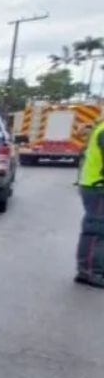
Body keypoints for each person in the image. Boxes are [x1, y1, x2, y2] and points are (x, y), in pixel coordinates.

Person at [75, 116, 104, 288]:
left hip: (93, 185)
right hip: (98, 187)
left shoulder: (100, 127)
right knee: (97, 230)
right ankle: (91, 272)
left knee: (94, 229)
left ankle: (87, 270)